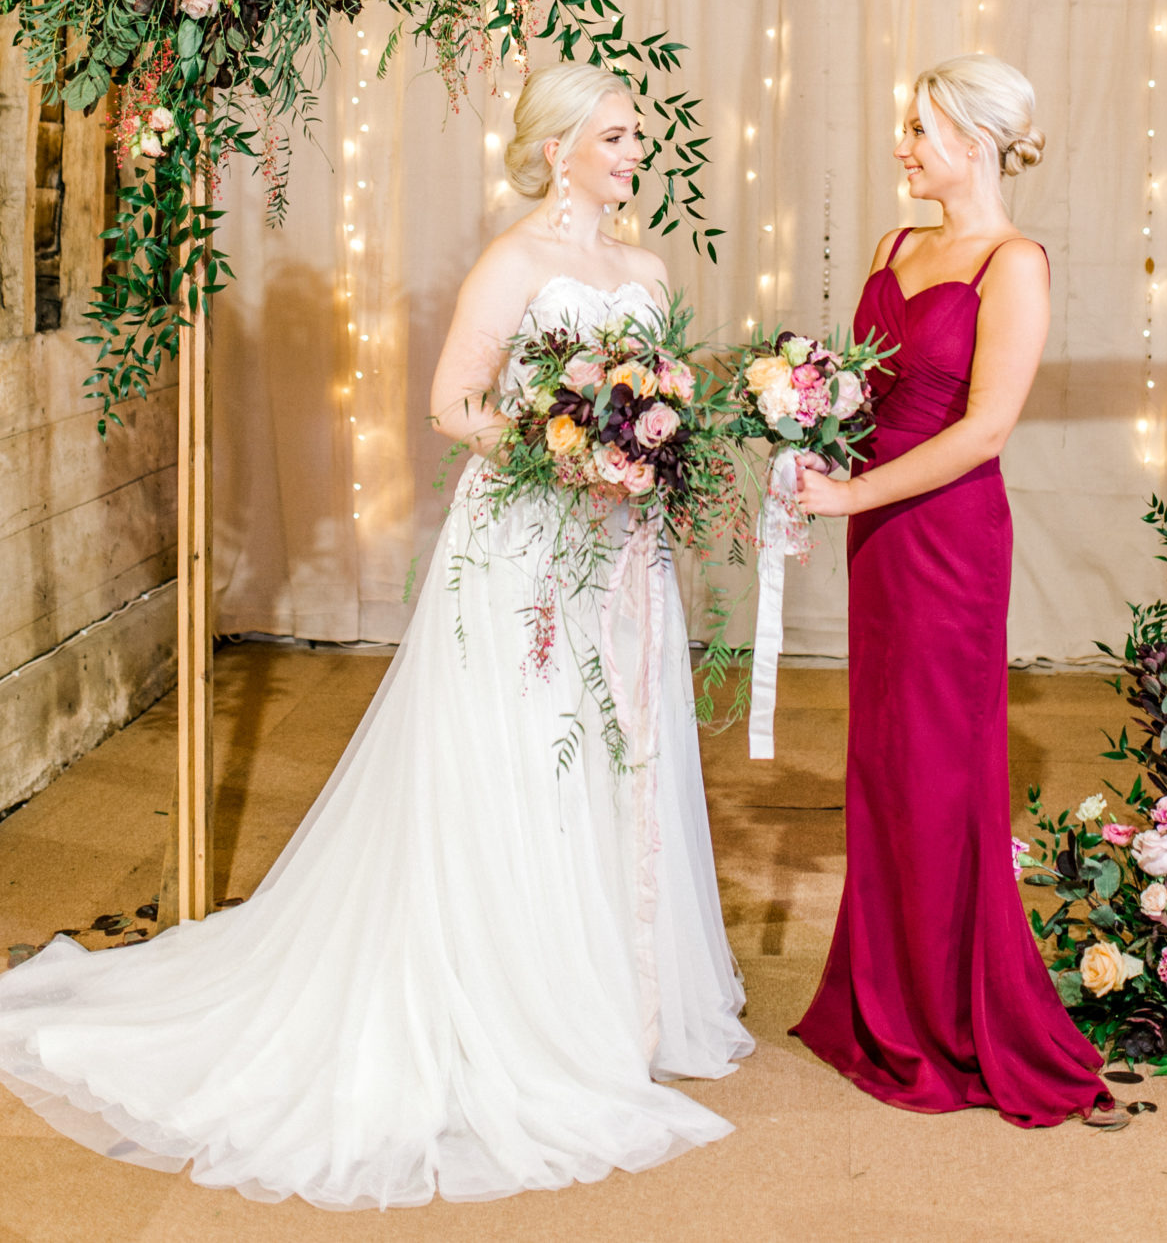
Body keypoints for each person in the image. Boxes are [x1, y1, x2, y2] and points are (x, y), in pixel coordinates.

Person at [0, 64, 751, 1208]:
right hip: (529, 546)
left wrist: (648, 443)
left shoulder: (645, 269)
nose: (633, 151)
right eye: (614, 136)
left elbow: (662, 393)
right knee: (523, 751)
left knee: (615, 754)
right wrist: (568, 449)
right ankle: (512, 1001)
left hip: (620, 558)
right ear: (558, 150)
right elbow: (456, 404)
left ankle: (611, 994)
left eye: (636, 135)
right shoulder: (516, 263)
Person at [790, 54, 1111, 1128]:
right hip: (875, 526)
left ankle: (948, 1014)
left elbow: (984, 430)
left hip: (946, 538)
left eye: (919, 132)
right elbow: (853, 384)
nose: (902, 150)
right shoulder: (892, 245)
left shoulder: (1014, 262)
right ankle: (878, 1001)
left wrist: (856, 493)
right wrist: (803, 433)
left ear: (970, 141)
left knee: (938, 766)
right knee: (879, 758)